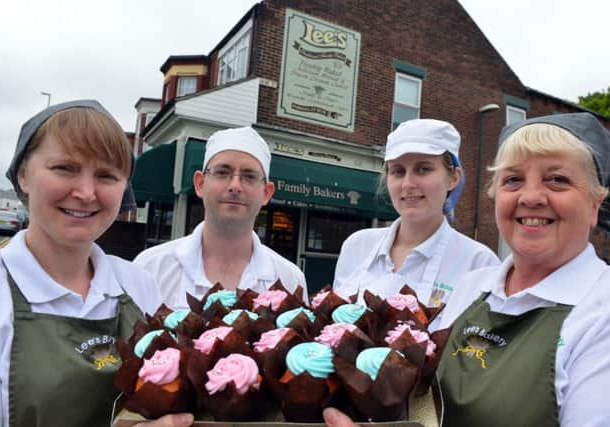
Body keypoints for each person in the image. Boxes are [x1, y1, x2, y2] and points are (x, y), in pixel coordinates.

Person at [324, 112, 610, 427]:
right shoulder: (474, 287)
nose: (530, 197)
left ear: (596, 202)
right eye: (513, 179)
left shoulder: (599, 314)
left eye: (558, 179)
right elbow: (427, 408)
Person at [0, 100, 192, 427]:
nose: (87, 193)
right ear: (23, 175)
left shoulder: (138, 284)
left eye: (106, 175)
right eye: (65, 168)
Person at [333, 118, 499, 330]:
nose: (408, 184)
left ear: (453, 178)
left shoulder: (479, 263)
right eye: (398, 171)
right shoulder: (357, 246)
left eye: (423, 169)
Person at [134, 126, 308, 307]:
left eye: (249, 176)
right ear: (200, 183)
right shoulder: (150, 269)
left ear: (266, 192)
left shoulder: (290, 281)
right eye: (222, 173)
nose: (235, 186)